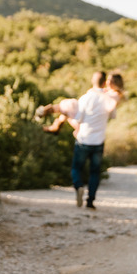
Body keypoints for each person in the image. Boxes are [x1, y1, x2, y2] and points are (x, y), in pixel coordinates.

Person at [38, 71, 124, 209]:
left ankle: (78, 187)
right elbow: (112, 115)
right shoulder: (108, 99)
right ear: (104, 83)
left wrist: (67, 117)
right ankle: (90, 201)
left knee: (76, 168)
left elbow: (78, 118)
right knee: (95, 172)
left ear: (93, 81)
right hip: (99, 141)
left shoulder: (86, 98)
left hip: (84, 139)